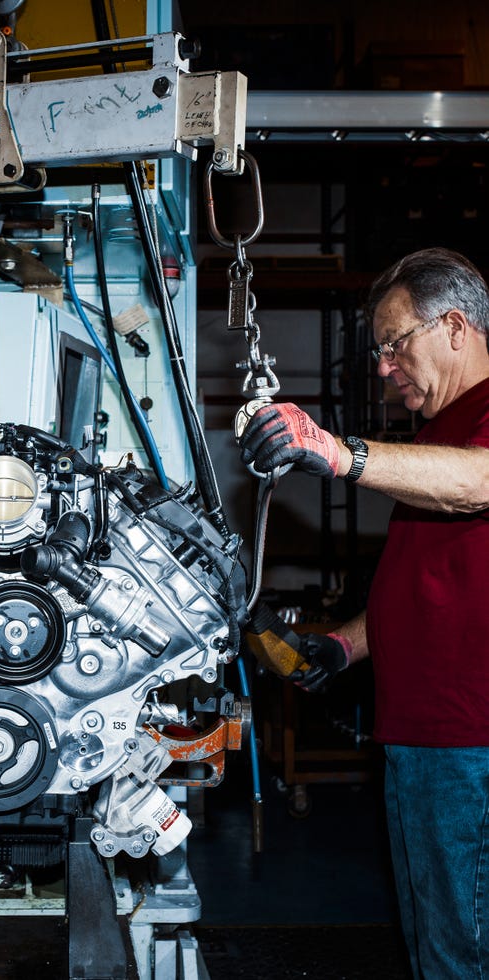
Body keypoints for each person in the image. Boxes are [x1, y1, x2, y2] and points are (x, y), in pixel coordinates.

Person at [239, 247, 489, 980]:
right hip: (424, 739)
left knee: (464, 956)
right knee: (436, 948)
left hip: (472, 741)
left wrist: (334, 449)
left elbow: (481, 484)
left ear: (452, 326)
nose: (383, 367)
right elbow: (432, 583)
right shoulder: (439, 431)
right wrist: (342, 648)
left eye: (393, 343)